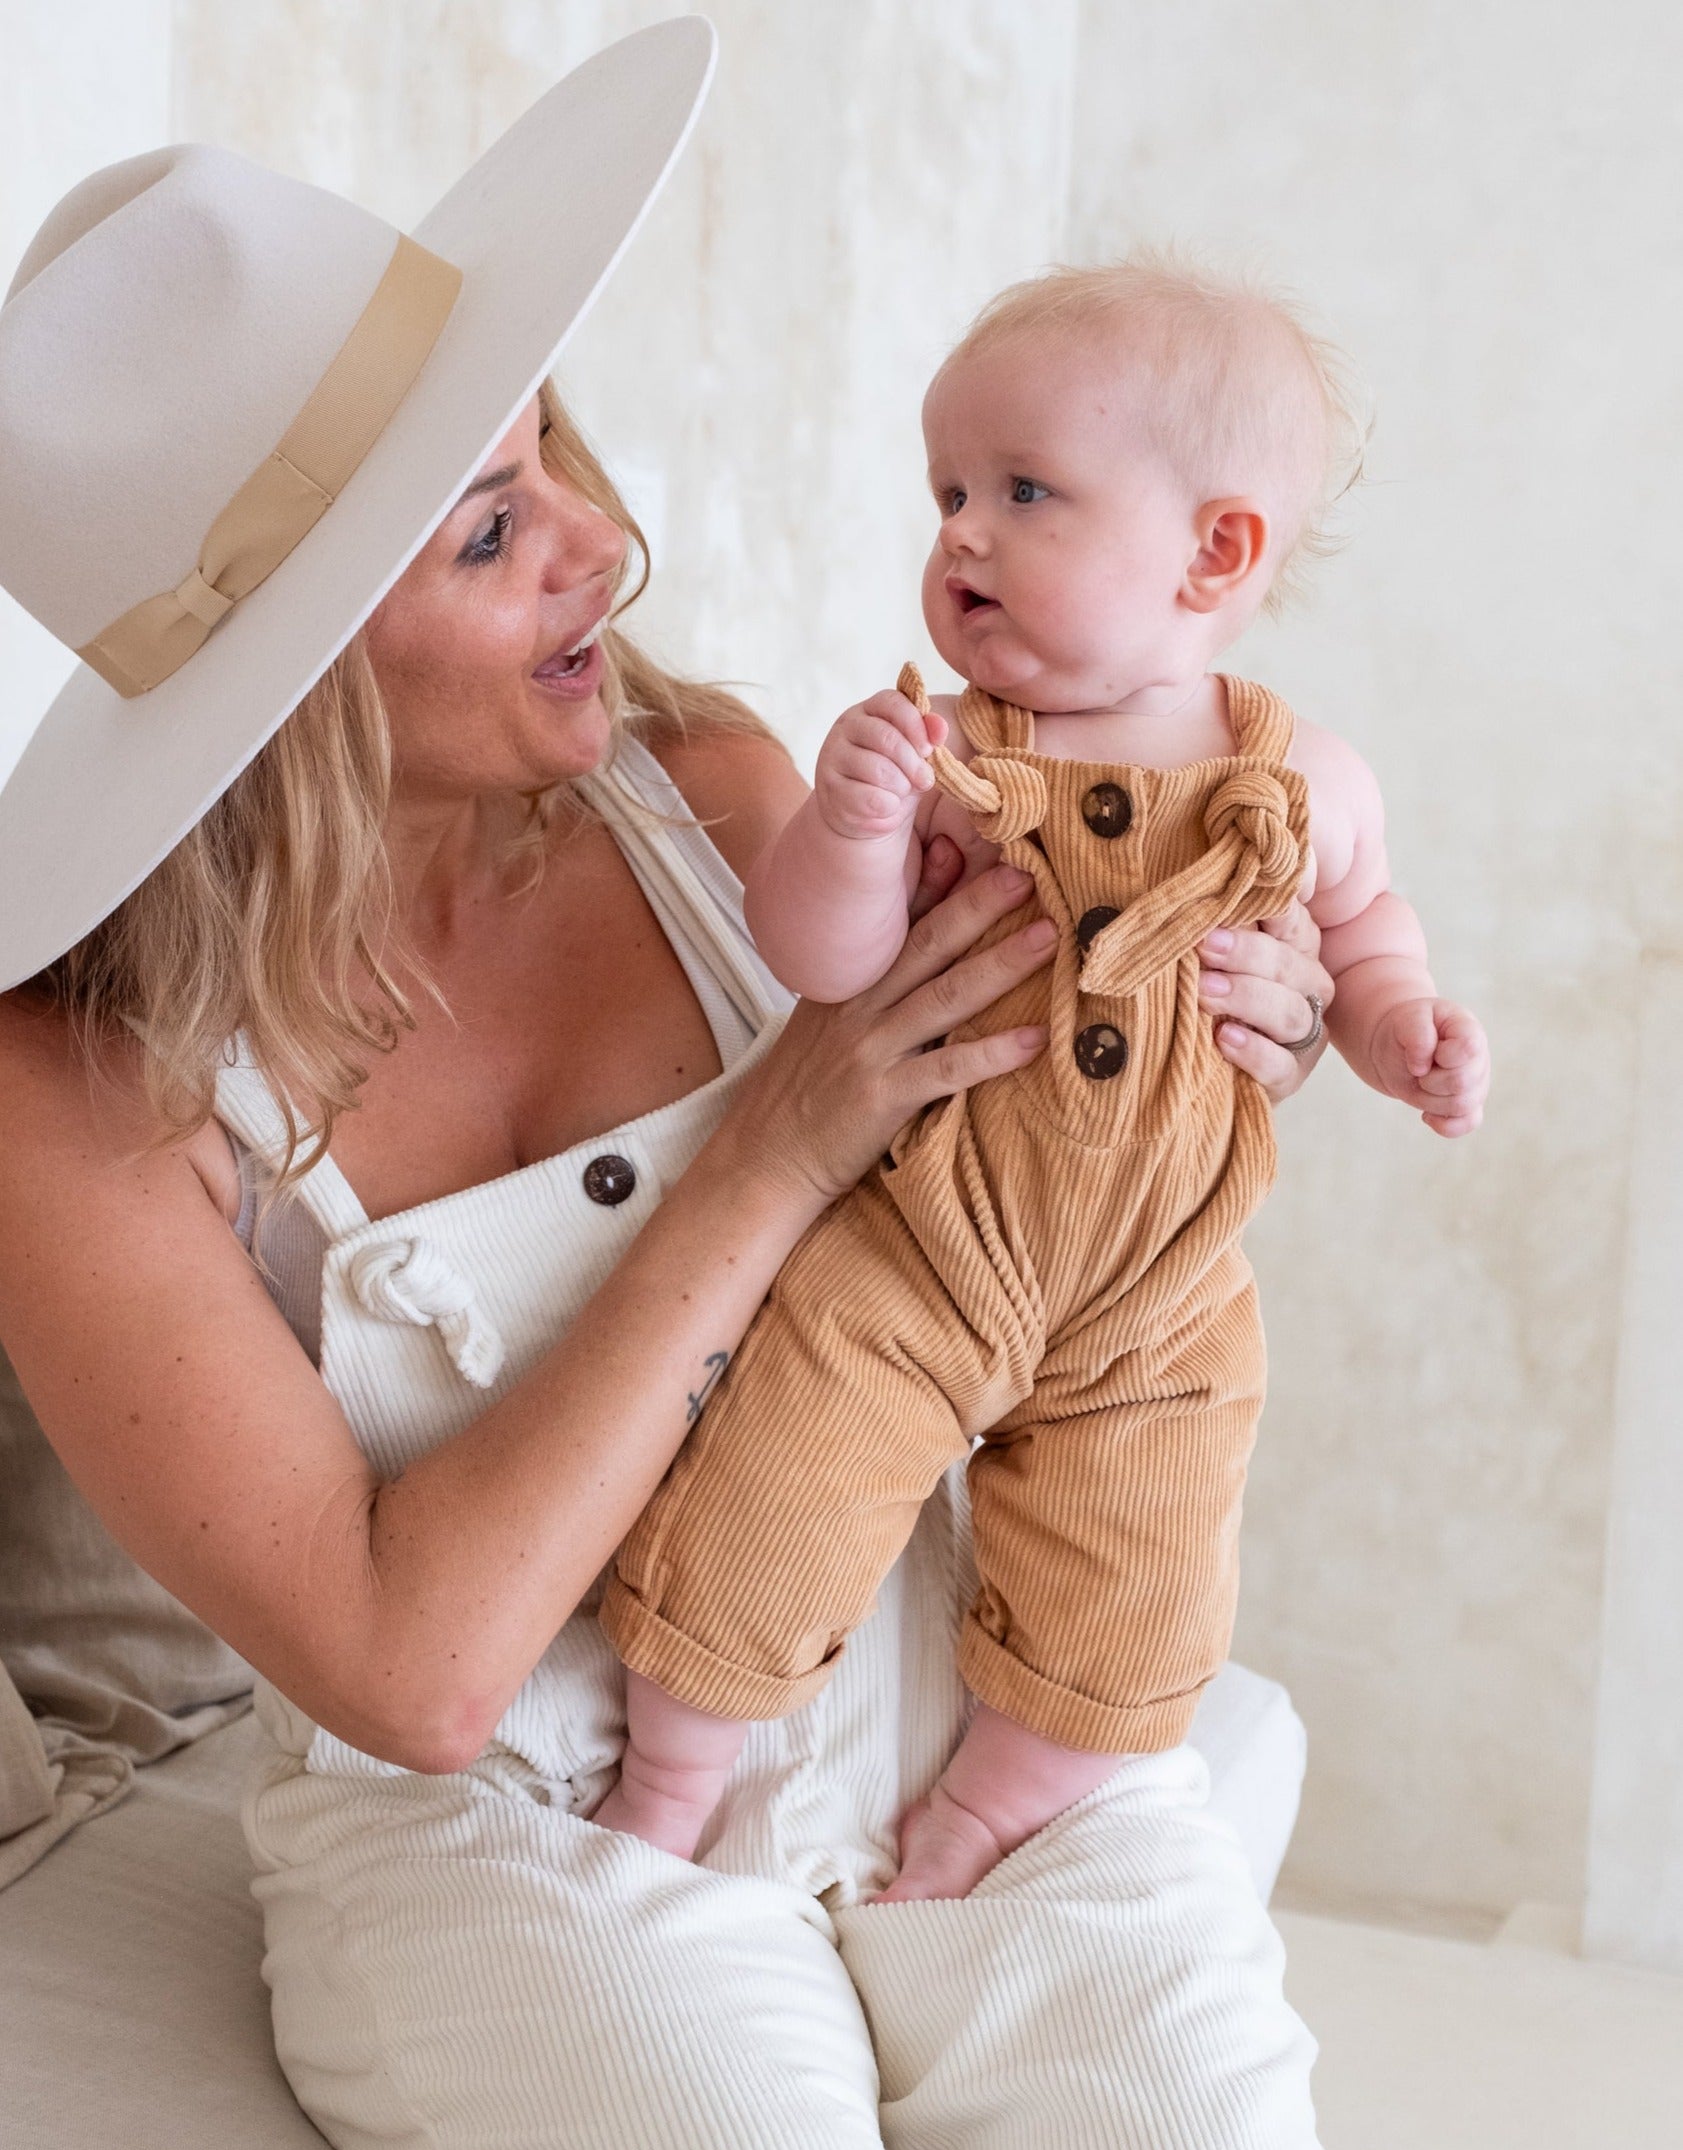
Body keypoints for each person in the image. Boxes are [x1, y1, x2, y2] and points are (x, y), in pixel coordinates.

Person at [0, 38, 1412, 2150]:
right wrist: (759, 1159)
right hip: (532, 1843)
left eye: (549, 452)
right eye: (485, 533)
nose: (598, 552)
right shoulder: (77, 1087)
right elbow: (415, 1674)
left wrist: (1241, 1012)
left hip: (949, 1697)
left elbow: (1042, 1172)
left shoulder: (699, 784)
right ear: (280, 667)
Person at [598, 257, 1492, 1902]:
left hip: (1160, 1296)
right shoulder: (947, 751)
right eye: (947, 491)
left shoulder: (1302, 779)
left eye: (1024, 491)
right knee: (770, 1494)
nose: (961, 534)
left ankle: (987, 1818)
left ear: (1214, 553)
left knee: (1137, 1588)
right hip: (925, 1239)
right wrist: (852, 829)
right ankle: (667, 1781)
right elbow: (818, 958)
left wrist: (1401, 1027)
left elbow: (1365, 937)